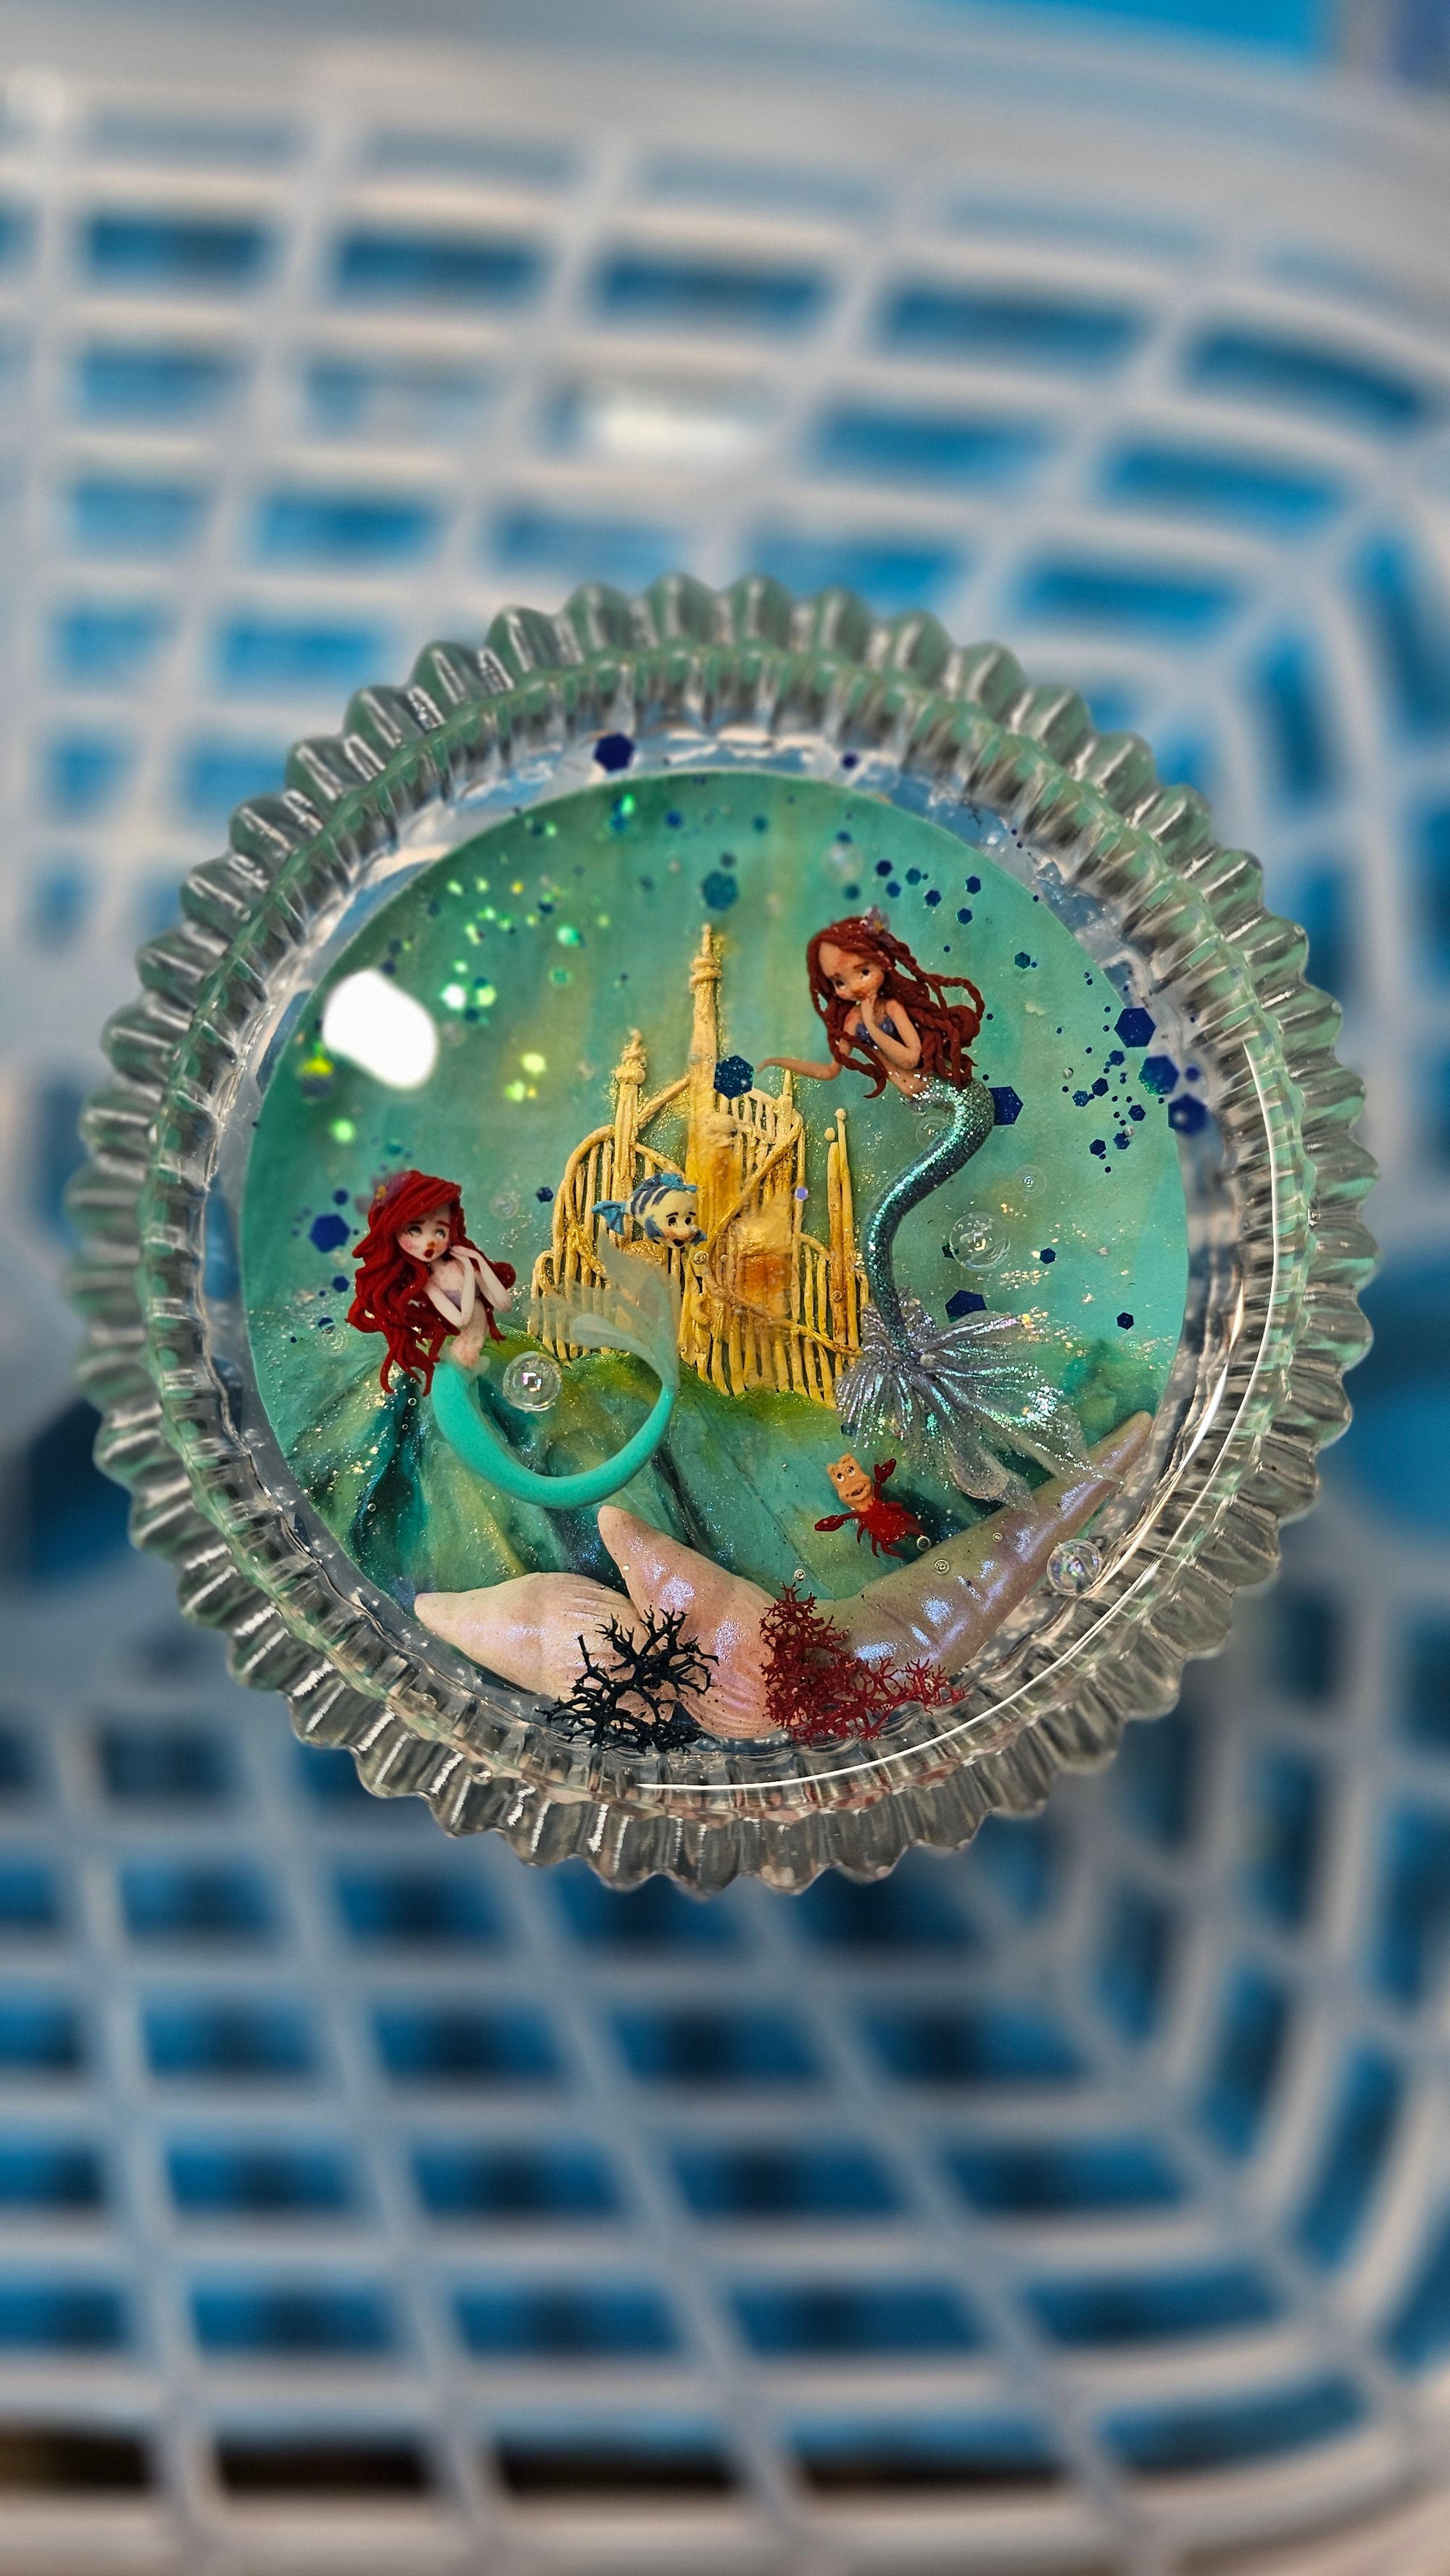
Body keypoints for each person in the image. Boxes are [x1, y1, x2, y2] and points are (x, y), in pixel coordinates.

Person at [347, 1167, 515, 1389]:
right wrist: (469, 1269)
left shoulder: (463, 1263)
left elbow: (504, 1304)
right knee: (458, 1382)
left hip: (478, 1343)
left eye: (440, 1232)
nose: (430, 1243)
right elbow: (461, 1319)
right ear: (393, 1232)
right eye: (415, 1230)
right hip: (464, 1349)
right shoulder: (429, 1283)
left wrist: (476, 1261)